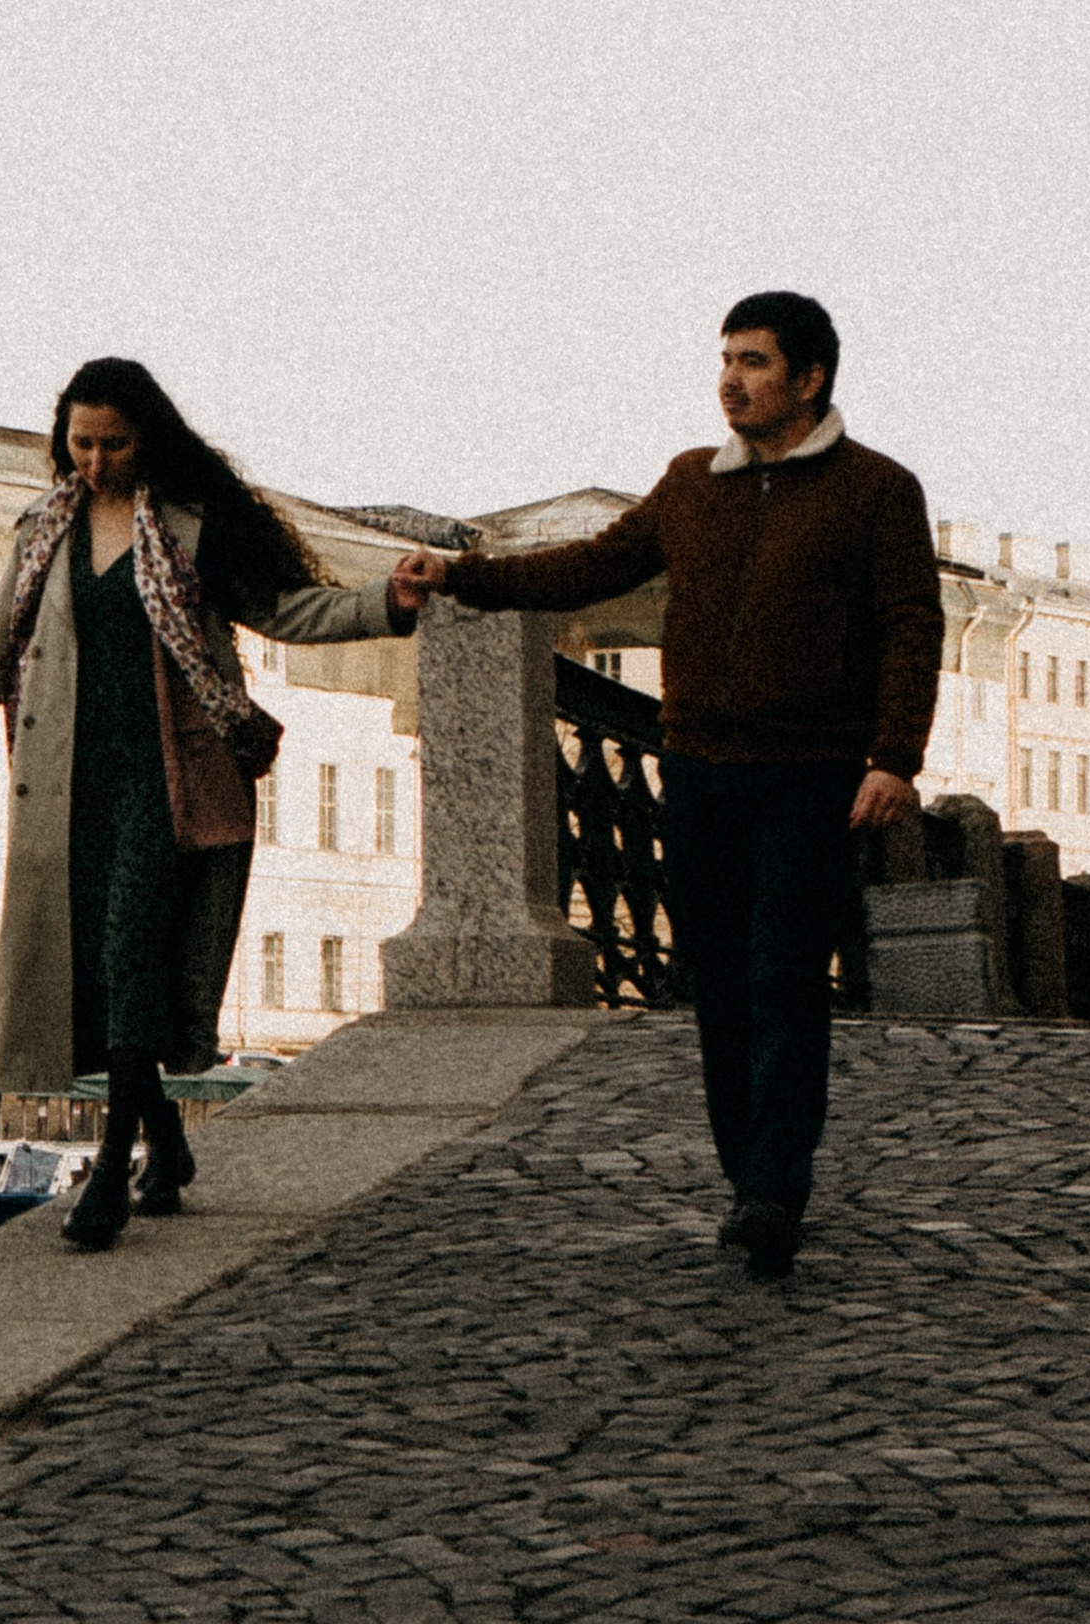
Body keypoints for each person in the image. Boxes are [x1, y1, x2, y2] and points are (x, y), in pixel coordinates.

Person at [403, 291, 941, 1282]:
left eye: (753, 362)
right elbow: (591, 566)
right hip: (699, 771)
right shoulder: (693, 482)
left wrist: (893, 758)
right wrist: (462, 575)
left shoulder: (876, 490)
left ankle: (774, 1189)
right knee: (721, 985)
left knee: (786, 980)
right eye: (725, 360)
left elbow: (912, 627)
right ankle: (748, 1177)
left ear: (809, 379)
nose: (730, 380)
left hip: (813, 775)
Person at [0, 360, 432, 1250]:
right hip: (70, 786)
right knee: (105, 974)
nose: (96, 461)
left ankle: (112, 1170)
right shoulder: (44, 530)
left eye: (114, 443)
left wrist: (387, 601)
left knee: (131, 957)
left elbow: (287, 611)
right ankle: (168, 1142)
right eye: (81, 443)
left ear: (148, 439)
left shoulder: (191, 527)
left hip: (169, 777)